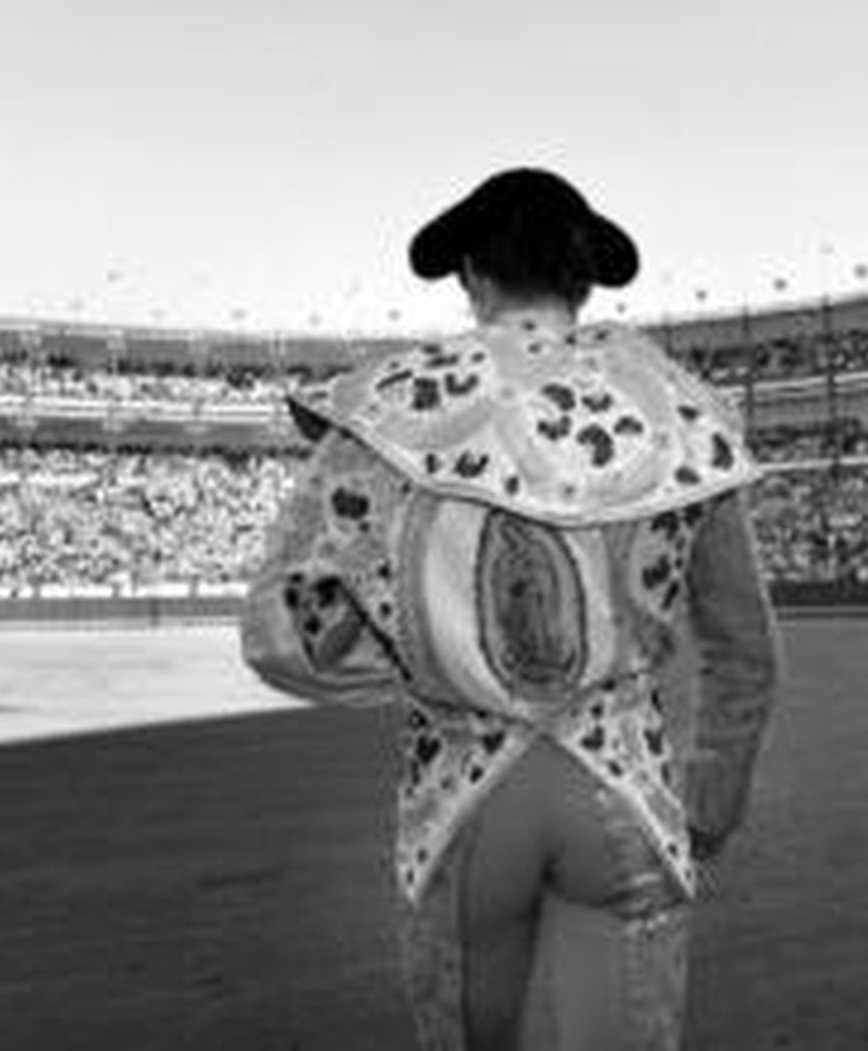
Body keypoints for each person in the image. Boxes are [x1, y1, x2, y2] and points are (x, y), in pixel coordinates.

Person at [240, 167, 781, 1049]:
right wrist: (711, 800)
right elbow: (745, 651)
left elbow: (281, 634)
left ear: (471, 279)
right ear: (585, 283)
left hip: (461, 796)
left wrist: (430, 646)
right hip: (625, 787)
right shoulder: (677, 408)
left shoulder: (392, 410)